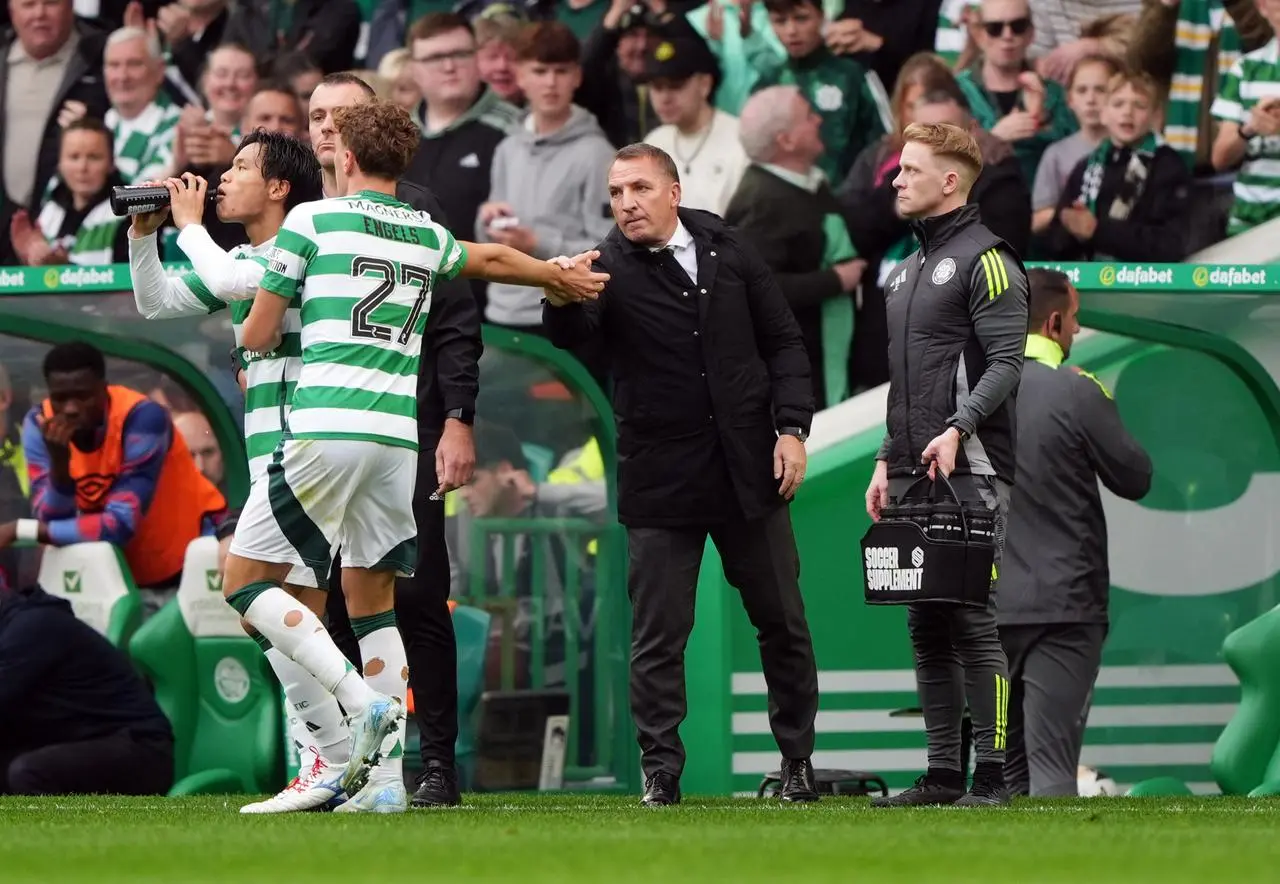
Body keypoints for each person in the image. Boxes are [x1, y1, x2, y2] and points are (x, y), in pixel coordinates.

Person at [220, 99, 607, 814]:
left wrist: (246, 332)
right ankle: (389, 783)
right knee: (374, 605)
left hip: (325, 427)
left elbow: (263, 330)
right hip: (400, 442)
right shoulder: (424, 231)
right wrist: (556, 273)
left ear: (343, 158)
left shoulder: (310, 220)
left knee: (242, 583)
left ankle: (352, 702)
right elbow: (489, 259)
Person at [543, 142, 821, 807]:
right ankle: (661, 773)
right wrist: (557, 297)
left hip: (749, 467)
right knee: (659, 636)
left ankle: (798, 764)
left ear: (673, 190)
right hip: (662, 475)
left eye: (638, 188)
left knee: (782, 621)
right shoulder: (602, 267)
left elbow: (784, 340)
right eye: (615, 193)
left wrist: (792, 430)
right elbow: (575, 338)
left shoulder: (730, 247)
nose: (626, 203)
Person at [127, 131, 355, 815]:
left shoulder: (303, 248)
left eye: (240, 169)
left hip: (306, 452)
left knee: (254, 598)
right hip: (274, 458)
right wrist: (146, 237)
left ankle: (345, 740)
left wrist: (190, 226)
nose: (221, 179)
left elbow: (229, 281)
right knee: (290, 618)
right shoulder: (250, 256)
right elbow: (156, 302)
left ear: (280, 186)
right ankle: (340, 760)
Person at [309, 72, 485, 809]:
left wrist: (457, 419)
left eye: (342, 116)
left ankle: (435, 761)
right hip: (316, 436)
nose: (326, 128)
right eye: (316, 115)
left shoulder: (414, 212)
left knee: (416, 597)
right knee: (327, 604)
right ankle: (342, 760)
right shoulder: (298, 210)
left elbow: (456, 324)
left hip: (403, 432)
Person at [863, 122, 1028, 808]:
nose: (896, 181)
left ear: (951, 180)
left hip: (973, 466)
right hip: (909, 468)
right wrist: (881, 461)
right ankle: (940, 774)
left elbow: (1009, 364)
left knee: (972, 618)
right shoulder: (902, 273)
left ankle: (992, 776)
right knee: (925, 620)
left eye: (909, 171)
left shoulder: (989, 259)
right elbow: (904, 386)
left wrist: (960, 429)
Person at [999, 268, 1153, 797]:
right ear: (1055, 320)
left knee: (1002, 778)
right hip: (1064, 608)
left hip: (987, 607)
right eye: (1076, 320)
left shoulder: (967, 392)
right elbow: (1136, 477)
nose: (1078, 332)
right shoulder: (1076, 389)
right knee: (1052, 771)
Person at [0, 342, 227, 617]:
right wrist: (61, 467)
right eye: (61, 398)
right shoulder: (40, 424)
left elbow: (119, 525)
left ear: (103, 389)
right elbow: (52, 518)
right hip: (112, 578)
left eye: (83, 396)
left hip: (184, 566)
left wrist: (20, 530)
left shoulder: (142, 418)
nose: (70, 409)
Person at [0, 575, 174, 796]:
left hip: (139, 749)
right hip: (75, 743)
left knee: (28, 772)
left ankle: (60, 832)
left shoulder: (31, 628)